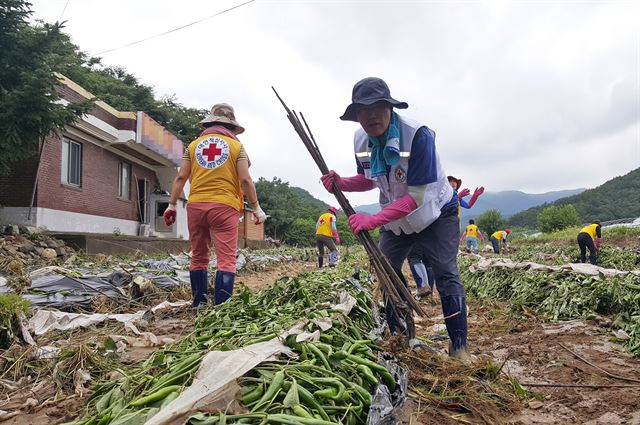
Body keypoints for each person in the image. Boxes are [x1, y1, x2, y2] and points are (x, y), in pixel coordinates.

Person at [320, 77, 469, 358]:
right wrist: (341, 182)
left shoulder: (418, 136)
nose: (371, 115)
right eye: (363, 110)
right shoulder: (361, 140)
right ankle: (401, 338)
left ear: (390, 108)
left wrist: (372, 220)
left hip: (435, 213)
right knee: (385, 269)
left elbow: (417, 198)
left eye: (378, 107)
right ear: (356, 116)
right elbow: (370, 180)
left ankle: (459, 347)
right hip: (396, 220)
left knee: (446, 272)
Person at [163, 103, 267, 308]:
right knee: (226, 259)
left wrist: (172, 205)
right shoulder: (237, 147)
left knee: (199, 256)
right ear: (231, 127)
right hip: (224, 206)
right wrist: (256, 207)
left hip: (196, 205)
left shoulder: (193, 146)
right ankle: (221, 307)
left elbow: (181, 176)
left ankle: (199, 303)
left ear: (209, 123)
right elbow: (245, 180)